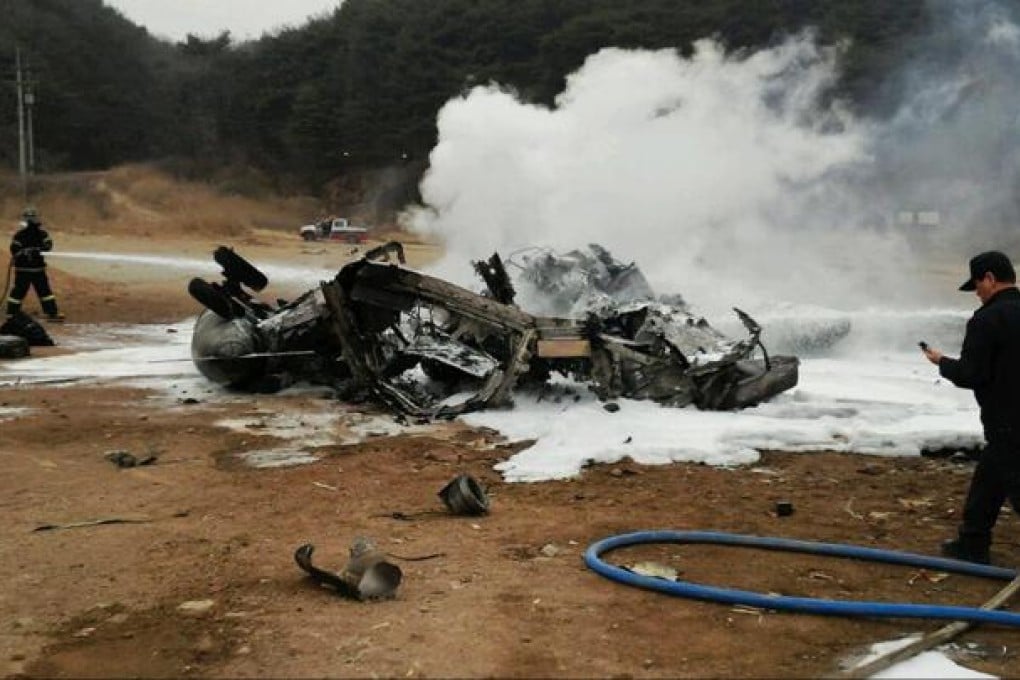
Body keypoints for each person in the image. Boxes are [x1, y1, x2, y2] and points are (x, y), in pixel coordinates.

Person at [922, 250, 1020, 564]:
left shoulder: (987, 319)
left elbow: (972, 374)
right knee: (989, 479)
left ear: (990, 278)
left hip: (1008, 418)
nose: (977, 293)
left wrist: (942, 363)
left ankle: (973, 543)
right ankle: (973, 541)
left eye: (977, 285)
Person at [6, 207, 64, 321]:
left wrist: (37, 249)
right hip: (26, 270)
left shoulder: (39, 234)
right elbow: (14, 249)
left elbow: (48, 245)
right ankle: (12, 314)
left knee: (44, 292)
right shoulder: (21, 235)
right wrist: (24, 251)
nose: (31, 220)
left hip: (35, 269)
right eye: (30, 218)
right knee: (21, 292)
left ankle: (51, 313)